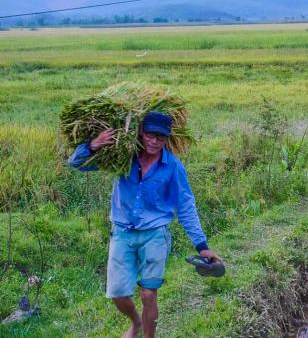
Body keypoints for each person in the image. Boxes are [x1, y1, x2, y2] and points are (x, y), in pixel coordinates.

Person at [67, 111, 222, 338]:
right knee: (118, 293)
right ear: (141, 132)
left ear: (167, 139)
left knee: (148, 294)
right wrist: (93, 145)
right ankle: (135, 323)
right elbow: (75, 163)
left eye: (160, 137)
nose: (154, 141)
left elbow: (186, 206)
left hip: (155, 234)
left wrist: (202, 245)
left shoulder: (173, 167)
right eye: (150, 135)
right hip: (122, 233)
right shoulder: (122, 156)